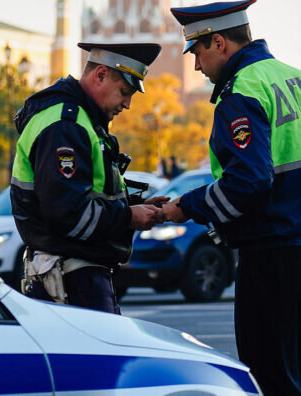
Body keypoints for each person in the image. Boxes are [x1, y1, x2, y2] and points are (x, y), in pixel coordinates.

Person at [163, 1, 301, 394]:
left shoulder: (241, 92)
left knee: (270, 374)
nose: (196, 66)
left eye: (198, 52)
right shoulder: (293, 77)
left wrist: (184, 207)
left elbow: (250, 182)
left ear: (219, 43)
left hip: (272, 253)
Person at [10, 42, 169, 315]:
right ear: (100, 75)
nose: (128, 104)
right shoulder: (66, 125)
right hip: (73, 279)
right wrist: (129, 217)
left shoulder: (76, 119)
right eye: (124, 92)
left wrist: (134, 207)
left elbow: (82, 195)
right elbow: (68, 214)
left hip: (73, 274)